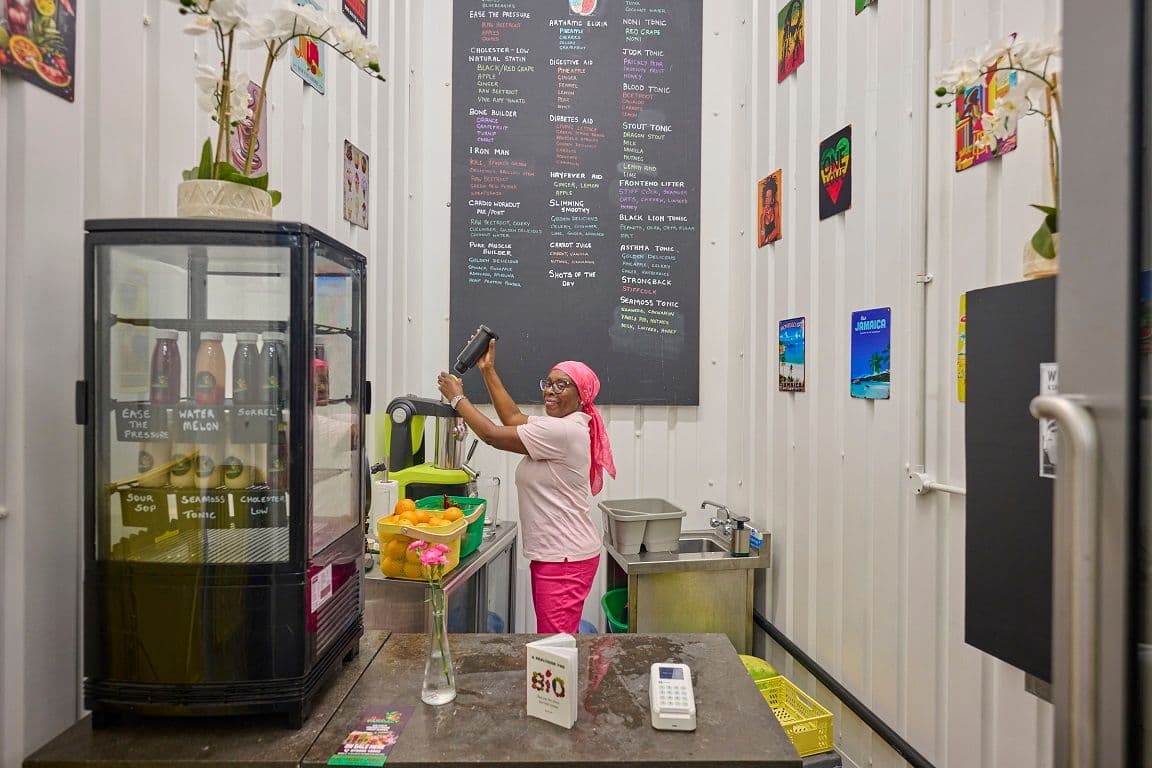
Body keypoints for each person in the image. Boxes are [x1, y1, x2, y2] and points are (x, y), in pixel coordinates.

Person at [437, 340, 615, 634]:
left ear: (581, 396)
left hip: (563, 558)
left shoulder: (562, 430)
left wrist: (457, 399)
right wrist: (488, 369)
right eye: (548, 383)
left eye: (562, 385)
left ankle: (568, 667)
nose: (550, 391)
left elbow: (492, 434)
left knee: (555, 644)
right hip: (560, 555)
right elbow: (513, 418)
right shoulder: (563, 426)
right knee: (556, 639)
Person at [759, 175, 780, 245]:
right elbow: (762, 239)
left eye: (770, 197)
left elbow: (777, 229)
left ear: (773, 198)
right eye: (766, 197)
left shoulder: (775, 206)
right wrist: (763, 217)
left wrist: (767, 239)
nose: (768, 200)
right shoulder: (762, 217)